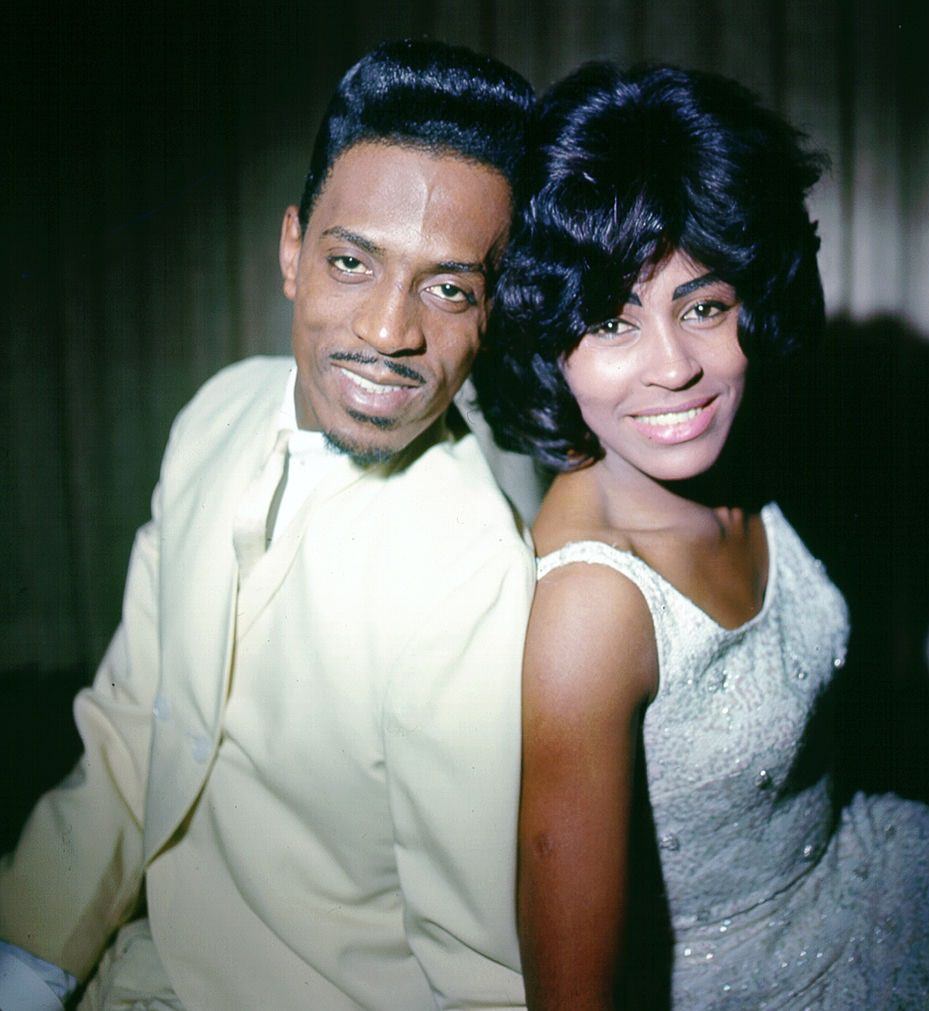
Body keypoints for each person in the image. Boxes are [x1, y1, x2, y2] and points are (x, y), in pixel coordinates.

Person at [475, 62, 929, 1009]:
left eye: (703, 306)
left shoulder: (742, 449)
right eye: (611, 321)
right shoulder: (589, 614)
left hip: (854, 871)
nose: (674, 369)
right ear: (546, 341)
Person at [0, 39, 535, 1010]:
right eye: (351, 262)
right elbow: (131, 730)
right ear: (292, 252)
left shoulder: (477, 572)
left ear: (491, 314)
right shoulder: (218, 412)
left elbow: (483, 975)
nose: (386, 330)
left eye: (448, 288)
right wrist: (30, 965)